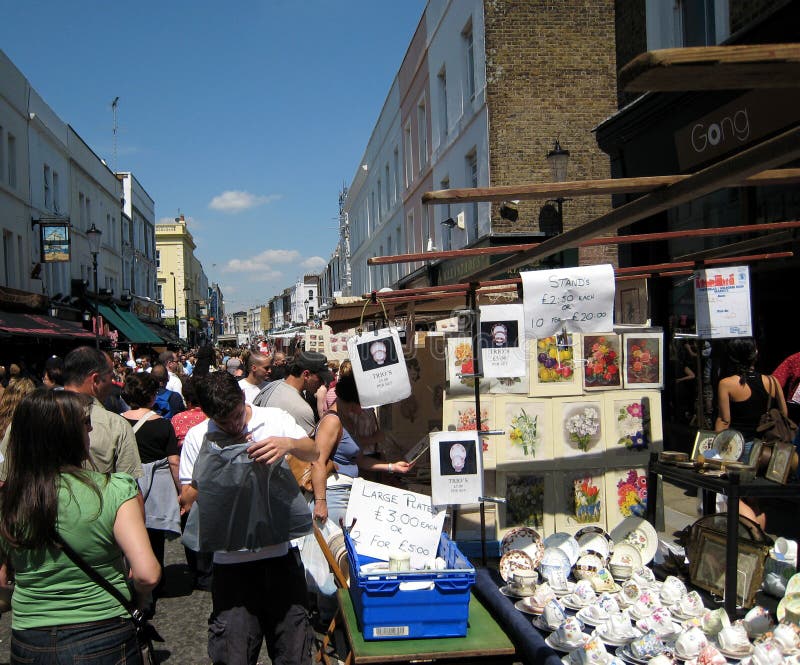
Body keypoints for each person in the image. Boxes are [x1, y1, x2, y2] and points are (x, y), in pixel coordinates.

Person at [0, 389, 160, 663]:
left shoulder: (10, 499)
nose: (90, 429)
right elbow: (147, 574)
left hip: (29, 637)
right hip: (104, 629)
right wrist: (139, 599)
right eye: (84, 423)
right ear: (69, 435)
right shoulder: (114, 490)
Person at [178, 372, 318, 665]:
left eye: (237, 416)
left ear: (244, 399)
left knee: (294, 653)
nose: (233, 425)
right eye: (223, 422)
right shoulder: (198, 436)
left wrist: (287, 444)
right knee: (232, 656)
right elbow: (187, 500)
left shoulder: (274, 419)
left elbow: (314, 451)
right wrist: (219, 460)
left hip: (280, 557)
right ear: (206, 414)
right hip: (231, 569)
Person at [307, 369, 412, 619]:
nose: (359, 409)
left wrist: (390, 467)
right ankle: (328, 617)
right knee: (333, 561)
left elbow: (359, 460)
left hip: (347, 494)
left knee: (342, 560)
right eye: (357, 405)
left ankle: (335, 615)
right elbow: (317, 462)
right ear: (347, 400)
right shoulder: (332, 421)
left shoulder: (346, 420)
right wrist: (320, 502)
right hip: (333, 495)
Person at [121, 372, 180, 612]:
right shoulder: (163, 424)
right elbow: (174, 461)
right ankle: (155, 581)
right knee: (154, 539)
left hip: (125, 485)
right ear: (153, 396)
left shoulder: (117, 422)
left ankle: (129, 584)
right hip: (155, 488)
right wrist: (180, 490)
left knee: (125, 537)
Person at [715, 337, 788, 529]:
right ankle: (758, 546)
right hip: (766, 451)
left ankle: (751, 535)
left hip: (741, 449)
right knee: (754, 501)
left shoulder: (727, 384)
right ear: (755, 354)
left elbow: (725, 420)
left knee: (733, 496)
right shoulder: (772, 382)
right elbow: (784, 415)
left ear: (731, 357)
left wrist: (713, 447)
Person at [253, 351, 333, 435]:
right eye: (320, 378)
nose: (323, 383)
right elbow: (312, 446)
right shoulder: (302, 409)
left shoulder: (273, 385)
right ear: (306, 374)